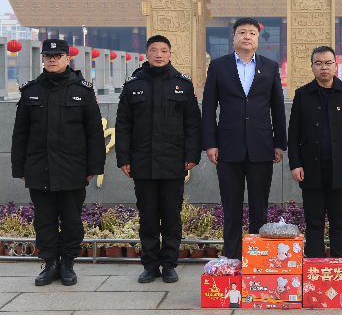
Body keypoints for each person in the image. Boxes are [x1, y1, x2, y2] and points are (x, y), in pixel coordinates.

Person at [11, 39, 106, 286]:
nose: (52, 60)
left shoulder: (83, 91)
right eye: (48, 56)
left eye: (58, 55)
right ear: (43, 59)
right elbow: (20, 133)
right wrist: (20, 168)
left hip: (73, 169)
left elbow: (94, 133)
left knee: (72, 219)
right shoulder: (30, 90)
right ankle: (50, 263)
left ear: (67, 58)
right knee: (44, 220)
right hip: (39, 168)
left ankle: (68, 264)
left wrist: (94, 167)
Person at [115, 35, 202, 283]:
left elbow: (193, 124)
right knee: (148, 218)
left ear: (170, 54)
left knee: (172, 216)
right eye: (154, 50)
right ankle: (150, 265)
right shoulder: (133, 85)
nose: (159, 55)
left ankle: (170, 264)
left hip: (173, 162)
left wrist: (192, 155)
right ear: (147, 54)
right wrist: (123, 158)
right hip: (142, 162)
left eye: (164, 50)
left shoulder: (182, 85)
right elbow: (123, 124)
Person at [202, 17, 287, 260]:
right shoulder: (219, 66)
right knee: (231, 208)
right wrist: (210, 143)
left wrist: (279, 143)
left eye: (252, 33)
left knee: (259, 207)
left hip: (262, 146)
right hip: (228, 147)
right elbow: (208, 107)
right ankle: (232, 258)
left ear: (258, 38)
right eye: (242, 32)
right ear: (234, 37)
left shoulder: (270, 66)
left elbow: (277, 108)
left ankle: (256, 259)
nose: (247, 36)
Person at [288, 46, 342, 258]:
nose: (324, 67)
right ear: (312, 67)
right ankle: (316, 266)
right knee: (314, 222)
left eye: (328, 63)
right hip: (310, 168)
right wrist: (295, 164)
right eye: (319, 63)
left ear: (335, 66)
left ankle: (338, 265)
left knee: (339, 221)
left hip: (341, 167)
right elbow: (293, 133)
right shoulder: (302, 94)